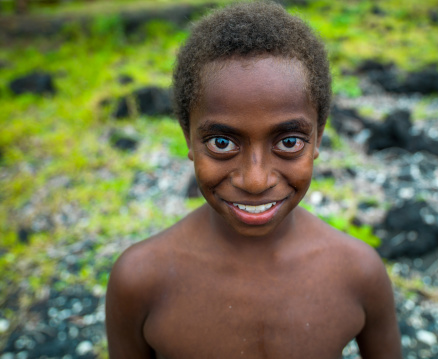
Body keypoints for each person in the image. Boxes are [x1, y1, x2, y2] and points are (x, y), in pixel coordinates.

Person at [105, 2, 402, 358]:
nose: (256, 180)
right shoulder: (140, 280)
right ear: (188, 139)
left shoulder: (359, 273)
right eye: (222, 143)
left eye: (289, 142)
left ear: (318, 137)